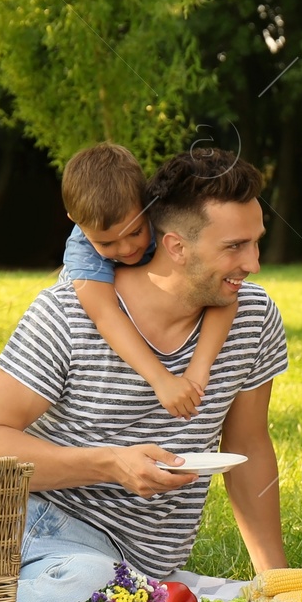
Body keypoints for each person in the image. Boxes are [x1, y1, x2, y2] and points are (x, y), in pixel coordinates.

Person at [0, 146, 289, 602]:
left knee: (123, 597)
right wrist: (112, 464)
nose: (254, 263)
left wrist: (277, 584)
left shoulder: (254, 317)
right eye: (235, 247)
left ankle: (117, 596)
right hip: (45, 529)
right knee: (92, 586)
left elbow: (248, 447)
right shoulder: (65, 314)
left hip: (143, 566)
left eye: (256, 243)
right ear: (176, 246)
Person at [60, 143, 236, 419]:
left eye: (136, 232)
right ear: (76, 223)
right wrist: (160, 379)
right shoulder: (82, 251)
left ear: (148, 205)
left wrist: (199, 367)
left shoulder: (165, 222)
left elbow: (222, 295)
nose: (125, 249)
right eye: (106, 243)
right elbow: (105, 315)